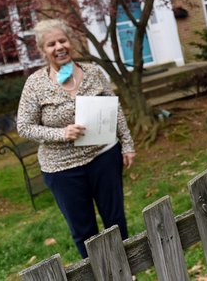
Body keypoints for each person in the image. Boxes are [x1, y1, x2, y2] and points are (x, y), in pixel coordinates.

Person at [17, 19, 135, 258]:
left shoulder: (92, 72)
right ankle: (97, 273)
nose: (59, 47)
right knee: (84, 231)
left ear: (71, 43)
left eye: (63, 40)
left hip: (104, 157)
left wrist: (127, 144)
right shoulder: (35, 84)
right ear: (43, 51)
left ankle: (126, 270)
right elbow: (24, 127)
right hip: (62, 169)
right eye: (51, 44)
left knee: (116, 221)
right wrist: (61, 133)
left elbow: (115, 109)